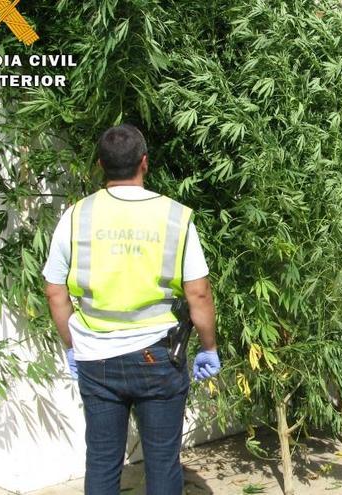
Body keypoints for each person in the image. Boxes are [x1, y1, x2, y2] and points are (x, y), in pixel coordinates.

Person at [42, 124, 220, 494]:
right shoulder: (175, 216)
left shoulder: (76, 216)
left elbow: (55, 291)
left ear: (100, 165)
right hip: (158, 355)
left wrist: (72, 345)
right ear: (145, 162)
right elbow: (198, 293)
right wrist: (209, 348)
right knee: (162, 461)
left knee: (103, 461)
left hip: (96, 359)